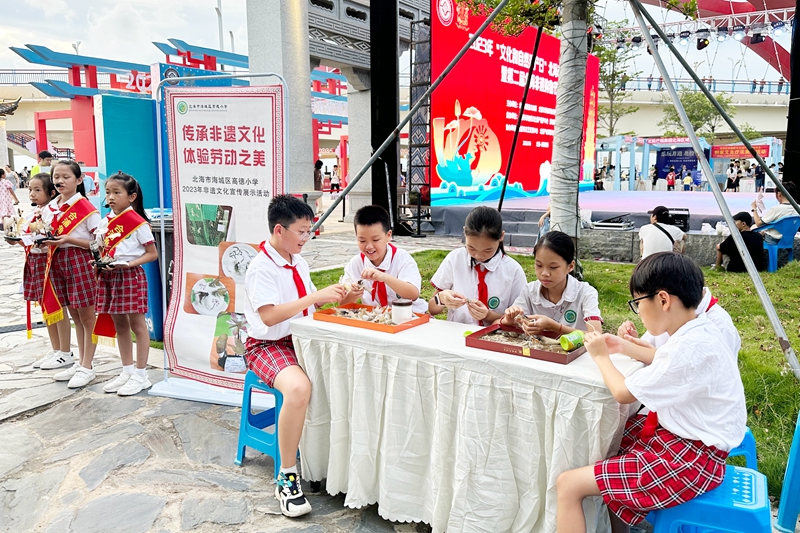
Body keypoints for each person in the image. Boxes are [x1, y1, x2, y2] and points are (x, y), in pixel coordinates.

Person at [556, 253, 746, 533]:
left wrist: (601, 357)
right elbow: (661, 358)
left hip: (690, 460)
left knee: (568, 484)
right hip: (691, 444)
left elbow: (622, 392)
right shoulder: (700, 329)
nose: (638, 312)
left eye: (637, 303)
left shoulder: (687, 347)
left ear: (663, 300)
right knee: (612, 441)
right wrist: (622, 346)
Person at [243, 194, 345, 517]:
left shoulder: (296, 260)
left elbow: (307, 305)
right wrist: (316, 296)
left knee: (341, 373)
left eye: (309, 230)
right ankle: (287, 475)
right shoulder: (262, 267)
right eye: (301, 231)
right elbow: (270, 317)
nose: (307, 237)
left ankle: (330, 456)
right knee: (299, 388)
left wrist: (337, 297)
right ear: (279, 230)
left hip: (300, 338)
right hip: (267, 345)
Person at [93, 172, 159, 396]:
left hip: (129, 276)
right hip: (110, 275)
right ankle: (127, 370)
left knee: (138, 326)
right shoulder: (105, 221)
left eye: (116, 192)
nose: (110, 197)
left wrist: (129, 265)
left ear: (131, 197)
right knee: (120, 324)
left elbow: (152, 254)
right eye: (108, 192)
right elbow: (102, 249)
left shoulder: (138, 223)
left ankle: (141, 375)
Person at [4, 173, 73, 370]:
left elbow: (52, 239)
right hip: (35, 262)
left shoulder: (52, 212)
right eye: (30, 190)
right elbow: (29, 241)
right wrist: (16, 240)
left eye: (37, 190)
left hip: (49, 262)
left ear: (51, 193)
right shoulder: (31, 215)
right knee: (45, 308)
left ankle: (66, 352)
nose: (32, 194)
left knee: (57, 308)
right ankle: (56, 349)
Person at [43, 160, 101, 388]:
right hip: (57, 260)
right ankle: (81, 362)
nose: (59, 181)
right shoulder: (51, 207)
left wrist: (69, 239)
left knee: (87, 316)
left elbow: (99, 242)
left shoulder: (86, 208)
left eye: (66, 177)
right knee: (75, 316)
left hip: (80, 260)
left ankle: (88, 366)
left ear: (79, 180)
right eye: (56, 177)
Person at [428, 206, 527, 325]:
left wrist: (488, 315)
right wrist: (442, 298)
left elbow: (520, 320)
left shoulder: (513, 270)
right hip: (458, 335)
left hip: (496, 338)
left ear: (501, 236)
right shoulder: (455, 259)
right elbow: (432, 309)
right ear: (464, 232)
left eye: (488, 250)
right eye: (471, 248)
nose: (479, 256)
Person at [501, 231, 603, 336]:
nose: (545, 273)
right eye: (539, 265)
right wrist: (509, 320)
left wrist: (555, 327)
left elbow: (596, 335)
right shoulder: (530, 291)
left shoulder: (585, 293)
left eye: (553, 267)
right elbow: (511, 321)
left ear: (570, 266)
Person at [341, 205, 426, 313]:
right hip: (376, 319)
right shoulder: (356, 264)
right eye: (362, 241)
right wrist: (352, 294)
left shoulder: (401, 258)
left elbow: (413, 294)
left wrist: (384, 277)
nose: (369, 246)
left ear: (388, 235)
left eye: (376, 240)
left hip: (410, 315)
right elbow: (343, 304)